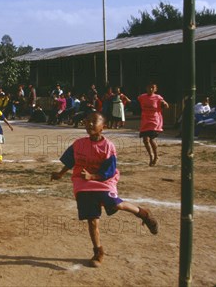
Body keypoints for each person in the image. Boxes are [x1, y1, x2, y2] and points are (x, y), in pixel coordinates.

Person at [50, 112, 159, 267]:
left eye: (94, 122)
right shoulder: (78, 144)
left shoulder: (108, 147)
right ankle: (98, 251)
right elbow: (70, 161)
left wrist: (92, 176)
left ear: (103, 127)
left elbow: (109, 171)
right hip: (83, 183)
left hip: (104, 181)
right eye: (87, 121)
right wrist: (60, 174)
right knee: (92, 220)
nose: (89, 124)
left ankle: (143, 213)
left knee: (116, 204)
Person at [137, 83, 169, 166]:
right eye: (149, 87)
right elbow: (134, 103)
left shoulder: (158, 98)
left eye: (152, 88)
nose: (150, 89)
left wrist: (165, 104)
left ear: (155, 89)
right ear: (146, 88)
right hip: (145, 120)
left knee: (151, 139)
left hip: (154, 120)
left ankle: (156, 156)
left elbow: (166, 105)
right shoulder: (142, 97)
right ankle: (150, 155)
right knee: (145, 140)